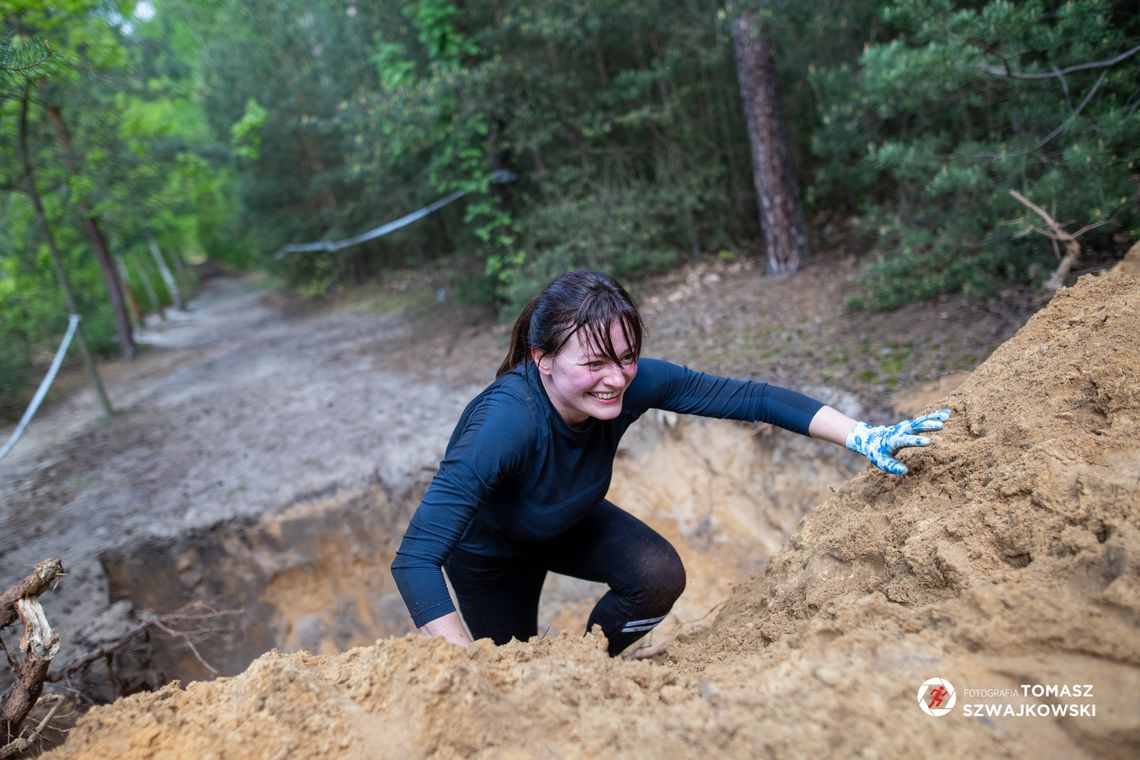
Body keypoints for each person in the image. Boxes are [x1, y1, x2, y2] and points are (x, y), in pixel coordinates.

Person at [390, 270, 951, 656]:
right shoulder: (505, 423)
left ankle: (592, 666)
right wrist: (461, 666)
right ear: (543, 360)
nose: (615, 378)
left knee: (657, 575)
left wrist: (864, 435)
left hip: (565, 521)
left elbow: (750, 397)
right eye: (595, 363)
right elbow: (414, 560)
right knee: (507, 682)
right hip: (490, 556)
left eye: (627, 357)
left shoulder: (626, 384)